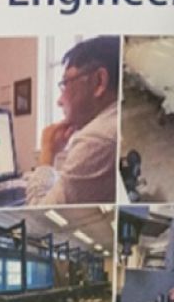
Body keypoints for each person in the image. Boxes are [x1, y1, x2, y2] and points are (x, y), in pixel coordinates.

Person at [25, 35, 119, 205]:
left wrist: (48, 151)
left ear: (99, 81)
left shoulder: (97, 139)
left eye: (65, 83)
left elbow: (38, 212)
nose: (59, 101)